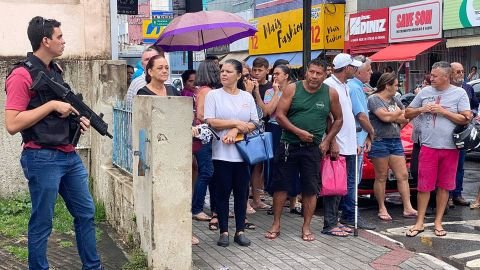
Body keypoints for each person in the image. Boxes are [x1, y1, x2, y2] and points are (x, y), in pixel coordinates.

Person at [4, 16, 103, 269]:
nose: (64, 41)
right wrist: (51, 105)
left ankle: (93, 267)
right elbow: (12, 124)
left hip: (68, 156)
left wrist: (77, 120)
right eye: (59, 37)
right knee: (42, 222)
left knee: (86, 214)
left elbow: (60, 113)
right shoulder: (21, 75)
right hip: (41, 157)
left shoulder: (55, 71)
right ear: (45, 41)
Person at [265, 58, 343, 241]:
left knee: (310, 188)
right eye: (312, 72)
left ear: (325, 75)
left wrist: (328, 141)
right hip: (288, 144)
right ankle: (276, 223)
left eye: (319, 73)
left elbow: (338, 119)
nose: (314, 76)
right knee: (281, 186)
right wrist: (298, 132)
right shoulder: (293, 88)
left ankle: (306, 227)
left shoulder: (331, 93)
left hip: (313, 148)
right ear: (306, 71)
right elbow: (280, 115)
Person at [405, 61, 472, 237]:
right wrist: (421, 108)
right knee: (423, 186)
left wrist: (444, 112)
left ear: (446, 77)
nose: (431, 78)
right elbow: (407, 113)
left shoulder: (460, 93)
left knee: (444, 187)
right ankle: (419, 222)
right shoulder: (425, 92)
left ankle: (438, 222)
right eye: (431, 75)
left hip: (450, 148)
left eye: (435, 76)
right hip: (428, 146)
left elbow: (466, 118)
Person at [204, 59, 259, 247]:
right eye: (222, 71)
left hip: (243, 154)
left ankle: (240, 231)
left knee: (242, 193)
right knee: (222, 193)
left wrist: (237, 131)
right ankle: (224, 231)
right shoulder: (214, 95)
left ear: (238, 75)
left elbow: (254, 122)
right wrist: (235, 123)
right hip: (221, 154)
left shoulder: (246, 97)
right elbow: (211, 121)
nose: (224, 74)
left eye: (228, 71)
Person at [324, 53, 376, 233]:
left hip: (348, 143)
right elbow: (328, 117)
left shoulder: (344, 85)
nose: (356, 69)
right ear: (347, 68)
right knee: (335, 184)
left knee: (345, 184)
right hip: (338, 143)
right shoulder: (330, 85)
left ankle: (339, 219)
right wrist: (332, 142)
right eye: (353, 67)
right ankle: (330, 223)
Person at [368, 72, 417, 221]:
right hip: (379, 140)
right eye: (395, 85)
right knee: (381, 176)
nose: (397, 88)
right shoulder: (374, 99)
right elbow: (384, 116)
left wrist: (397, 117)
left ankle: (407, 207)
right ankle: (382, 207)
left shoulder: (395, 99)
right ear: (387, 85)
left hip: (395, 140)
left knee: (402, 175)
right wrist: (397, 114)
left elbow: (406, 117)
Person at [191, 60, 220, 226]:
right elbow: (202, 114)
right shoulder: (207, 91)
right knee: (206, 171)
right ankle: (197, 208)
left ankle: (200, 207)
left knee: (206, 171)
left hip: (201, 136)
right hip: (204, 136)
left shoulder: (200, 90)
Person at [347, 55, 375, 220]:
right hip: (356, 138)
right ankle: (351, 214)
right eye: (368, 70)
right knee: (353, 179)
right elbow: (362, 116)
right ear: (357, 72)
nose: (371, 73)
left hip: (359, 137)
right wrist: (372, 132)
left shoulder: (357, 86)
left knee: (353, 178)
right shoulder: (355, 87)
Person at [448, 62, 479, 207]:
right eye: (457, 72)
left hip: (462, 131)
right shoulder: (444, 88)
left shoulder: (467, 88)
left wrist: (472, 113)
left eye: (462, 71)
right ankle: (446, 196)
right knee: (447, 166)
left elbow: (474, 105)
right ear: (450, 73)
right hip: (446, 132)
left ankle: (457, 194)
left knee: (460, 165)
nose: (461, 74)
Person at [248, 57, 273, 211]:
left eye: (260, 70)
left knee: (259, 166)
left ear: (266, 70)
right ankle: (247, 199)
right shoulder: (247, 85)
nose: (256, 73)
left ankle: (257, 199)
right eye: (255, 70)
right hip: (249, 130)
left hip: (264, 129)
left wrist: (256, 92)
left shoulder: (269, 89)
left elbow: (265, 112)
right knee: (248, 166)